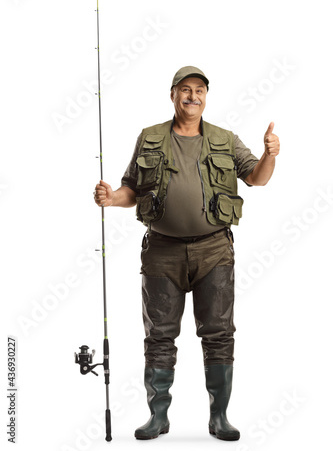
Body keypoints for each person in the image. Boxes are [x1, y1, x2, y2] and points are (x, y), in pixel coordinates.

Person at [94, 66, 280, 441]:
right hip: (161, 251)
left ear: (206, 97)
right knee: (159, 335)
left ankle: (220, 418)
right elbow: (131, 189)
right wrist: (112, 198)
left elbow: (256, 178)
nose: (192, 96)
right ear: (172, 94)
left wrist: (269, 154)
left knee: (218, 333)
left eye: (199, 90)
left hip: (214, 250)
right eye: (185, 89)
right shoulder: (149, 138)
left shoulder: (225, 139)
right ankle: (158, 417)